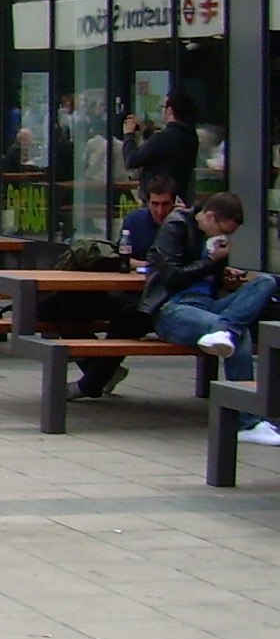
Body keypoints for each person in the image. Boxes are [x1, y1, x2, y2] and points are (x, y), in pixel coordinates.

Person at [138, 191, 280, 444]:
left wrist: (222, 270)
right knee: (240, 333)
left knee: (266, 282)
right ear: (211, 217)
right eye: (221, 230)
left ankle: (225, 328)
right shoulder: (176, 226)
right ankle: (248, 422)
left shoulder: (213, 238)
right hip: (173, 309)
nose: (223, 238)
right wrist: (212, 261)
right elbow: (171, 277)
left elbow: (204, 275)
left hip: (209, 306)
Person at [123, 93, 199, 195]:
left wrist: (129, 135)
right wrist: (145, 130)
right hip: (180, 195)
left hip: (158, 197)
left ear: (170, 110)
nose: (161, 111)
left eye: (162, 107)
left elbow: (131, 160)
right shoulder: (190, 136)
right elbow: (161, 151)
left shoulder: (164, 138)